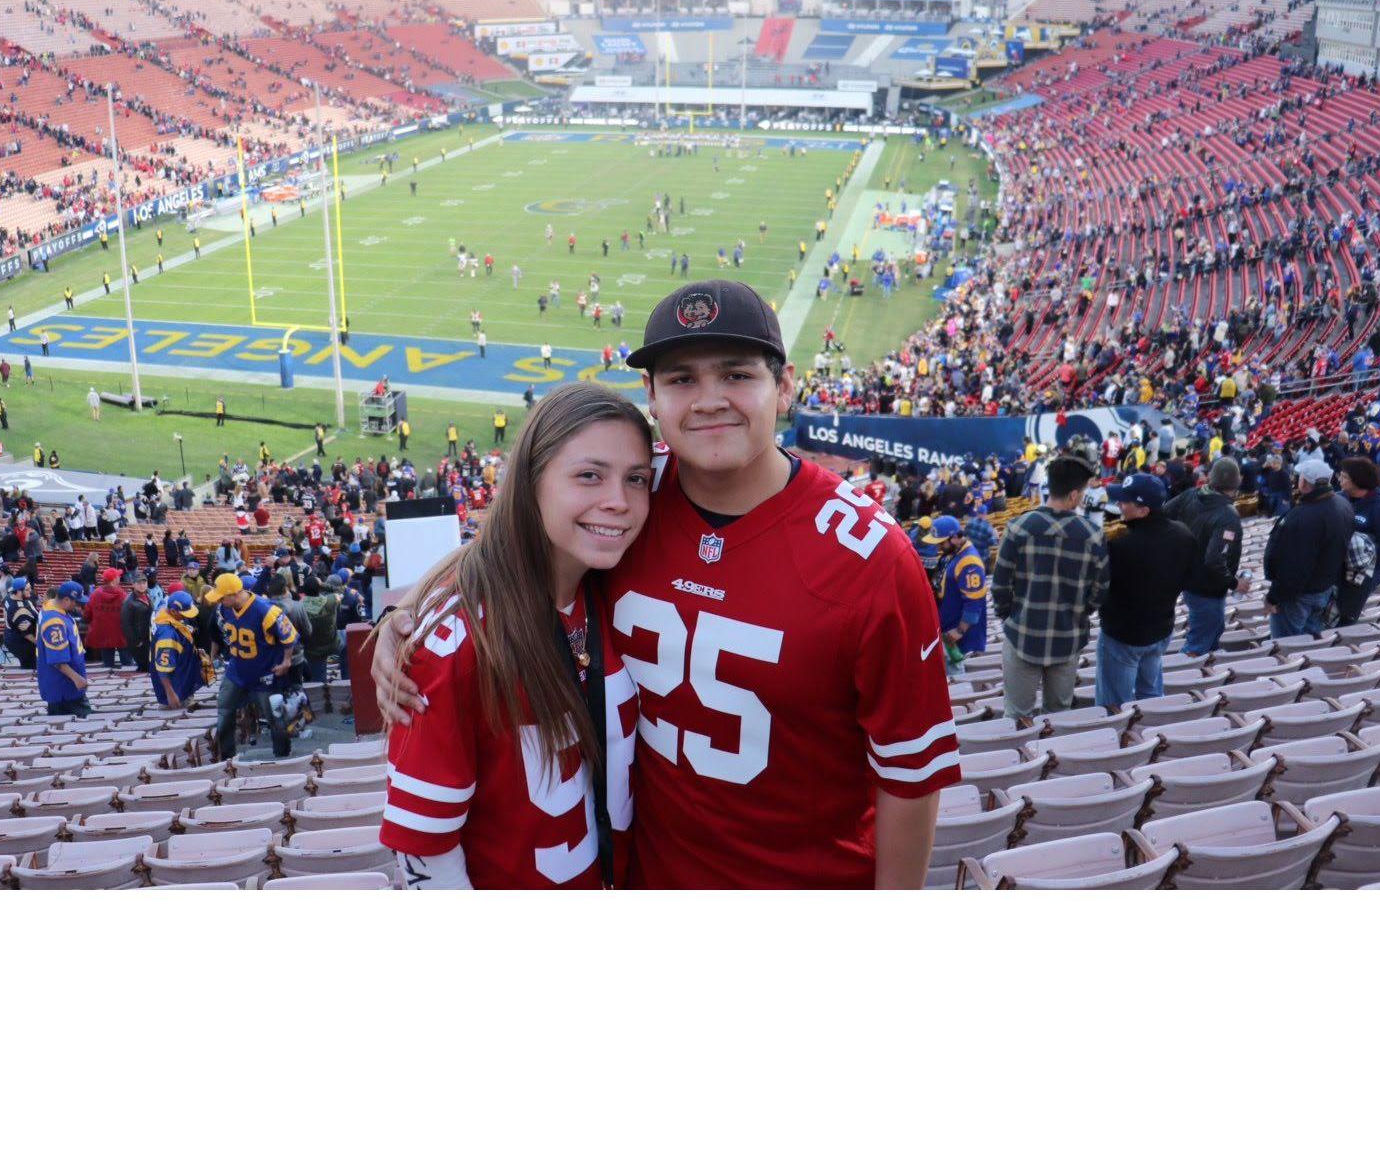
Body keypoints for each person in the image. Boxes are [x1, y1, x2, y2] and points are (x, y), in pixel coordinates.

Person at [378, 280, 958, 889]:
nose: (709, 400)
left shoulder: (871, 557)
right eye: (682, 379)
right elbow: (522, 536)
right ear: (651, 395)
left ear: (784, 386)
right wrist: (413, 612)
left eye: (736, 375)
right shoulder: (635, 493)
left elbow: (911, 778)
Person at [381, 385, 650, 889]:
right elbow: (424, 852)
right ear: (530, 482)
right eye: (589, 476)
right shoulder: (458, 642)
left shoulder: (613, 584)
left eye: (636, 479)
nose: (618, 501)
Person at [990, 454, 1109, 720]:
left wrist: (1011, 615)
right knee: (1059, 716)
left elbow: (999, 586)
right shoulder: (1093, 534)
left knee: (1017, 716)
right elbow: (1100, 592)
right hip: (1067, 638)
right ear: (1075, 494)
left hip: (1022, 635)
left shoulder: (1018, 527)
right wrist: (1078, 613)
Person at [1094, 473, 1203, 708]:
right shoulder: (1182, 533)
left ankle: (1121, 742)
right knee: (1151, 697)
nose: (1120, 505)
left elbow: (1098, 593)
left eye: (1125, 502)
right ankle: (1151, 734)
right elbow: (1191, 578)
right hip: (1160, 630)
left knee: (1114, 706)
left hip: (1123, 636)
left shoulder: (1120, 546)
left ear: (1144, 511)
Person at [205, 571, 298, 759]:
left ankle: (282, 756)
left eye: (222, 597)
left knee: (274, 716)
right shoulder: (225, 609)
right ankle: (227, 757)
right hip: (237, 669)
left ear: (234, 594)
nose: (219, 601)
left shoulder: (267, 610)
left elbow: (289, 637)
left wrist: (286, 661)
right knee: (224, 709)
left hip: (264, 672)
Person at [1263, 457, 1353, 638]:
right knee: (1310, 642)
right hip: (1323, 589)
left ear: (1304, 483)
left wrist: (1274, 597)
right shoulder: (1343, 505)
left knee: (1286, 646)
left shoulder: (1302, 517)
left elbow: (1294, 567)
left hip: (1297, 596)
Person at [1166, 457, 1247, 656]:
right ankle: (1177, 682)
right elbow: (1214, 560)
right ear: (1237, 482)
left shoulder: (1191, 494)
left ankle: (1201, 677)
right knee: (1196, 647)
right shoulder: (1228, 515)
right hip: (1207, 589)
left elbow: (1162, 516)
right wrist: (1234, 583)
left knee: (1212, 635)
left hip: (1188, 579)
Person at [1336, 455, 1380, 625]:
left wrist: (1359, 549)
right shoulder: (1340, 498)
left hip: (1359, 579)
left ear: (1357, 481)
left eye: (1345, 476)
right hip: (1336, 572)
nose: (1340, 479)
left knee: (1343, 621)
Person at [930, 515, 987, 675]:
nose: (939, 547)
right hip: (948, 630)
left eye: (942, 542)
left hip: (961, 640)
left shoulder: (969, 562)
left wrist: (958, 632)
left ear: (955, 537)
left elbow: (973, 604)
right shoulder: (953, 554)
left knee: (961, 683)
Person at [37, 582, 92, 717]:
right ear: (66, 599)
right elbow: (57, 660)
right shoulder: (54, 622)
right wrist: (77, 678)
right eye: (76, 602)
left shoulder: (54, 608)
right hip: (64, 687)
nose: (78, 605)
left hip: (65, 685)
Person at [149, 590, 209, 708]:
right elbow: (163, 668)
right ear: (173, 611)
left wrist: (195, 652)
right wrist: (170, 693)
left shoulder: (174, 621)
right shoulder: (167, 635)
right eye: (184, 613)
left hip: (182, 679)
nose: (186, 617)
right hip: (176, 690)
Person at [84, 567, 131, 668]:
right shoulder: (123, 595)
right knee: (127, 666)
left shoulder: (95, 594)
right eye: (118, 576)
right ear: (114, 580)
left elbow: (87, 614)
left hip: (103, 634)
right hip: (121, 635)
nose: (119, 577)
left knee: (107, 666)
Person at [121, 571, 154, 672]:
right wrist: (135, 641)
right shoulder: (129, 602)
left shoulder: (148, 596)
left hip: (148, 636)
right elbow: (126, 624)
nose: (142, 585)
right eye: (139, 583)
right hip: (138, 639)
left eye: (144, 583)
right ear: (133, 584)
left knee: (150, 667)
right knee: (144, 667)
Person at [3, 576, 38, 669]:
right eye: (27, 589)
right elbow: (27, 634)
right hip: (21, 641)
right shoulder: (18, 610)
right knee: (32, 666)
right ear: (18, 591)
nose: (30, 591)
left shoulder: (9, 597)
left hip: (11, 634)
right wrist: (41, 645)